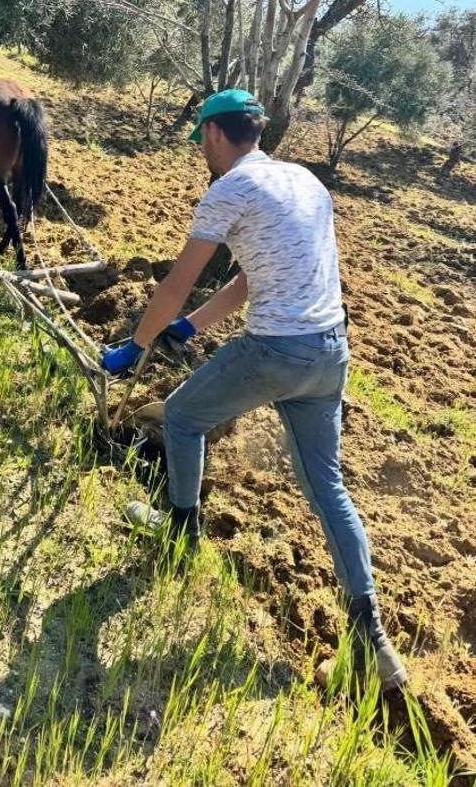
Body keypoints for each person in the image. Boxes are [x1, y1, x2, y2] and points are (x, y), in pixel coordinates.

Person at [100, 89, 407, 690]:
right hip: (330, 351)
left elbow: (175, 282)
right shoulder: (303, 181)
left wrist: (139, 342)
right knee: (327, 485)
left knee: (184, 416)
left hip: (276, 348)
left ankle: (179, 534)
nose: (203, 155)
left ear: (215, 135)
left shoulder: (229, 190)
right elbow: (251, 275)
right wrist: (193, 327)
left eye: (202, 143)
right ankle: (373, 640)